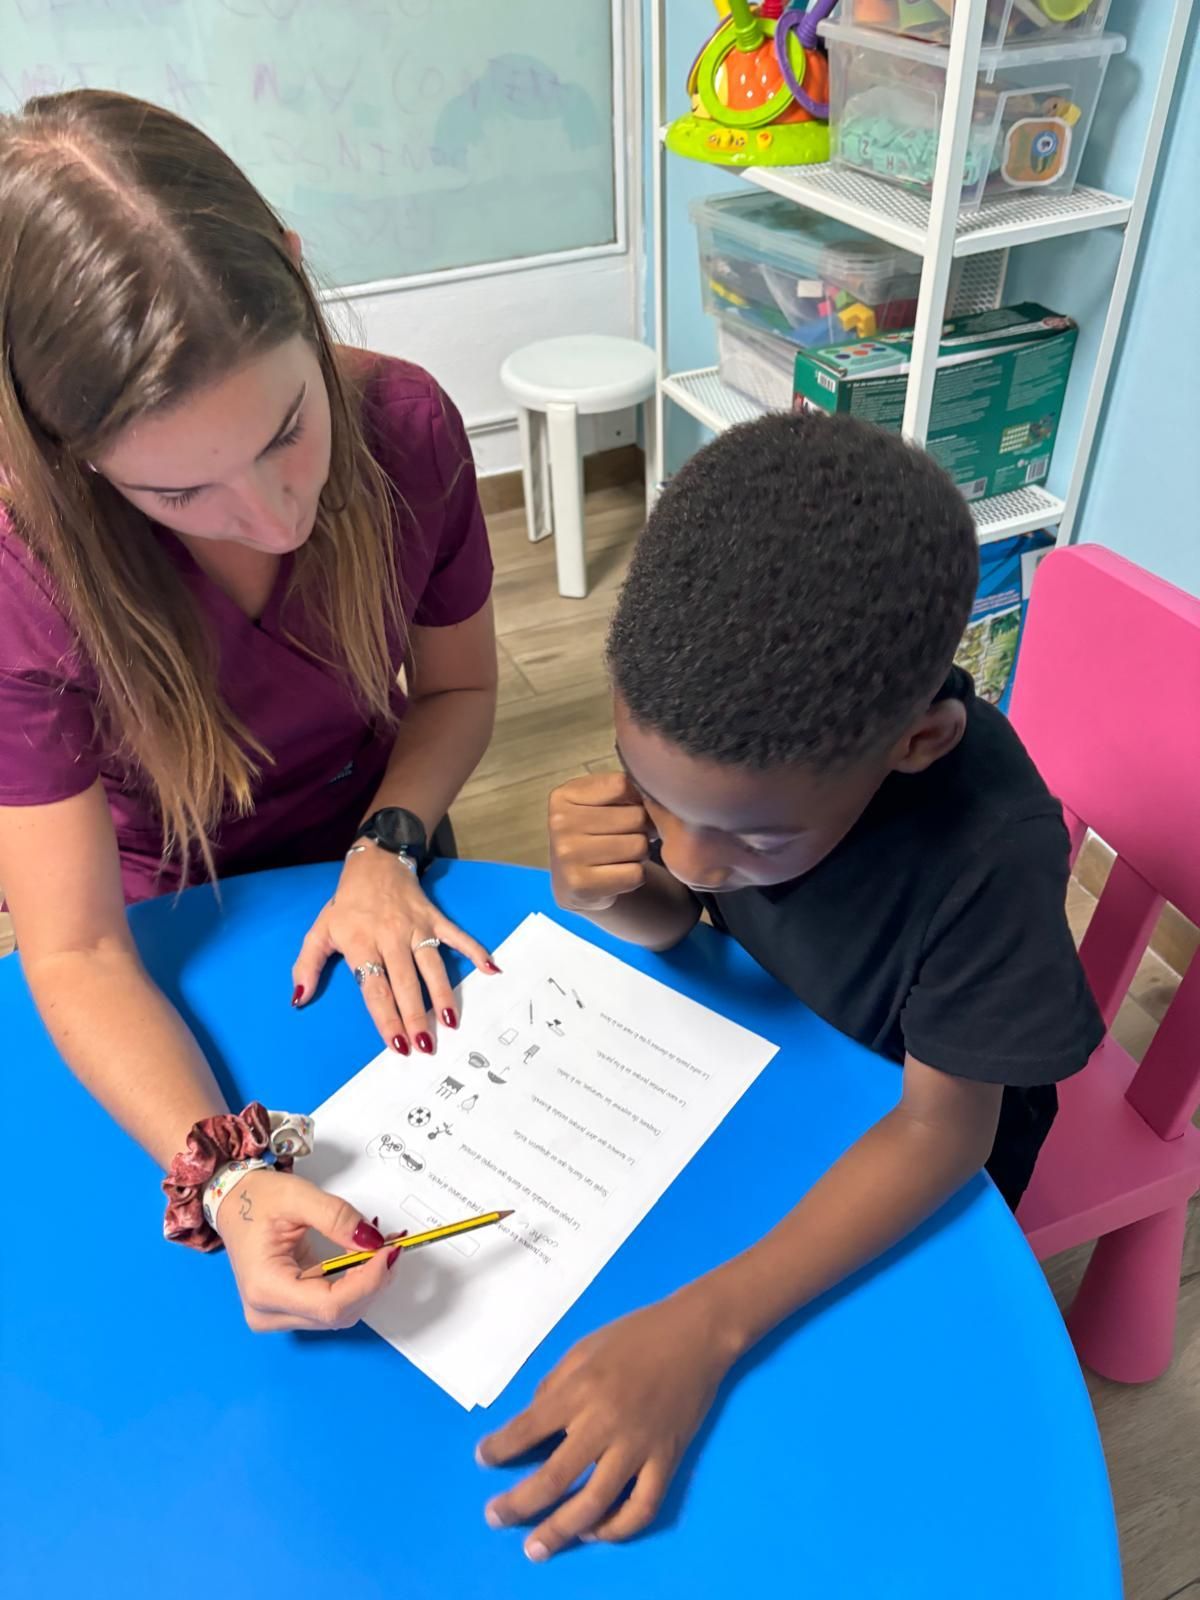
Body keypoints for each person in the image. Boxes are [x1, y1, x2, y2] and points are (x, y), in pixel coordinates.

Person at [477, 412, 1103, 1559]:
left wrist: (706, 1328)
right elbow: (691, 916)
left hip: (918, 1130)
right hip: (773, 1065)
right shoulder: (727, 740)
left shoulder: (989, 849)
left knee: (808, 1452)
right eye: (657, 803)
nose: (699, 857)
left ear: (915, 743)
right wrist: (622, 893)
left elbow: (943, 1135)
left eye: (752, 841)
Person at [0, 90, 499, 1329]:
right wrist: (224, 1177)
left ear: (295, 270)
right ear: (74, 462)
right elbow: (72, 947)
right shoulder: (26, 576)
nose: (277, 515)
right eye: (179, 492)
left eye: (288, 428)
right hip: (160, 924)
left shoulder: (409, 428)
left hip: (374, 851)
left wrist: (387, 845)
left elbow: (459, 687)